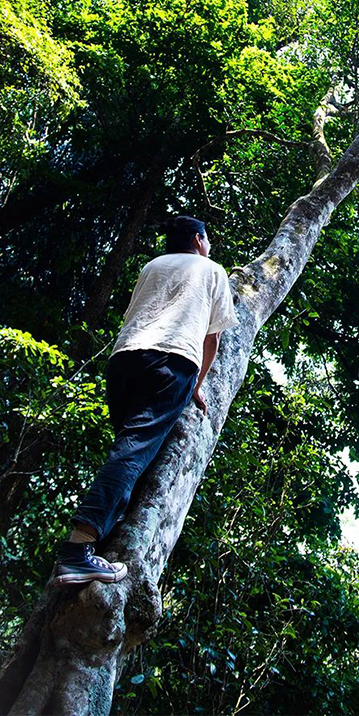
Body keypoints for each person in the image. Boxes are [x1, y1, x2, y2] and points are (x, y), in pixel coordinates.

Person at [54, 215, 239, 586]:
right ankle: (78, 550)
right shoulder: (211, 269)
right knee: (132, 452)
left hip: (123, 360)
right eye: (208, 239)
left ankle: (100, 537)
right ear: (199, 239)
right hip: (171, 361)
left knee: (129, 451)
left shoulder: (152, 266)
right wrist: (197, 385)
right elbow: (211, 339)